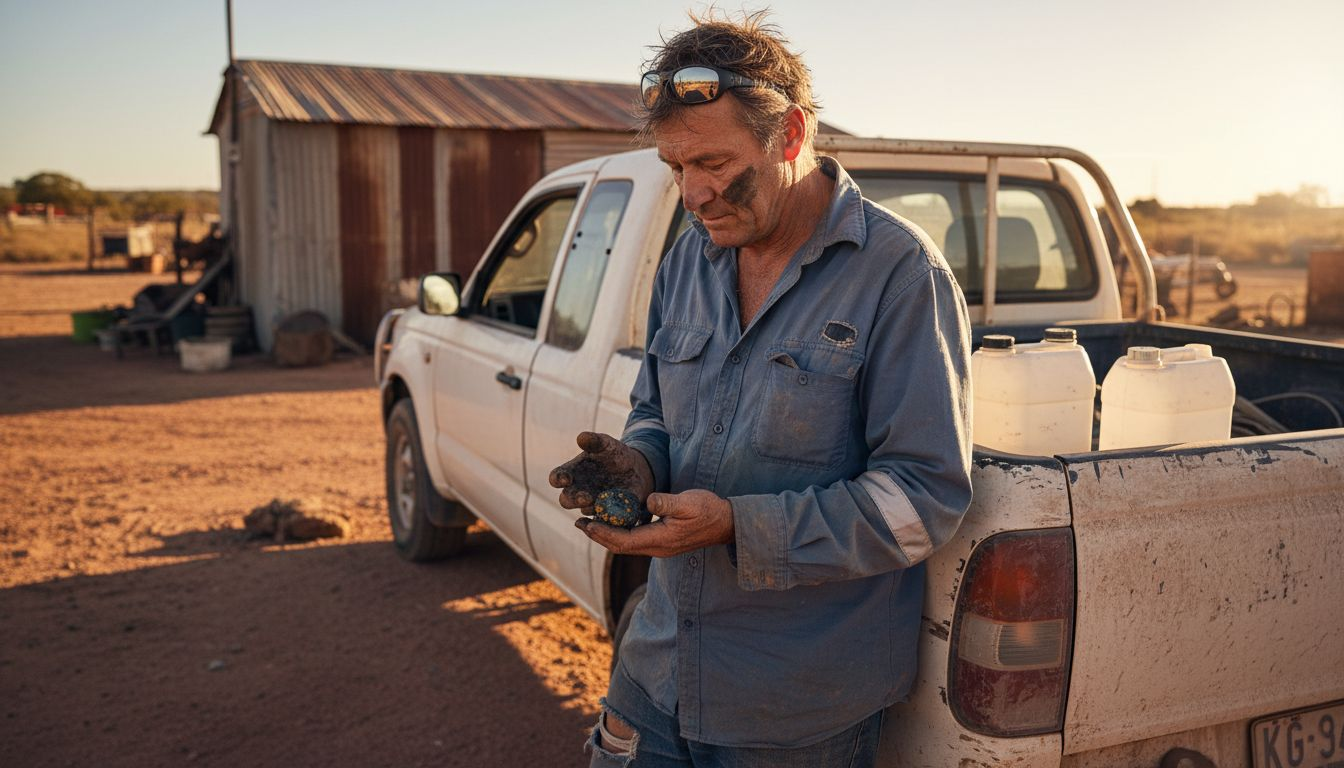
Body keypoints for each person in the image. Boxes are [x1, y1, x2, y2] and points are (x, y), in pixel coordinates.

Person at [549, 12, 973, 767]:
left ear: (792, 135)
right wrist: (637, 463)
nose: (695, 194)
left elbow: (922, 501)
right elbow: (656, 411)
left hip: (796, 707)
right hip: (657, 662)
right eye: (676, 167)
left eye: (714, 163)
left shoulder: (900, 275)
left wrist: (739, 528)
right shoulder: (688, 262)